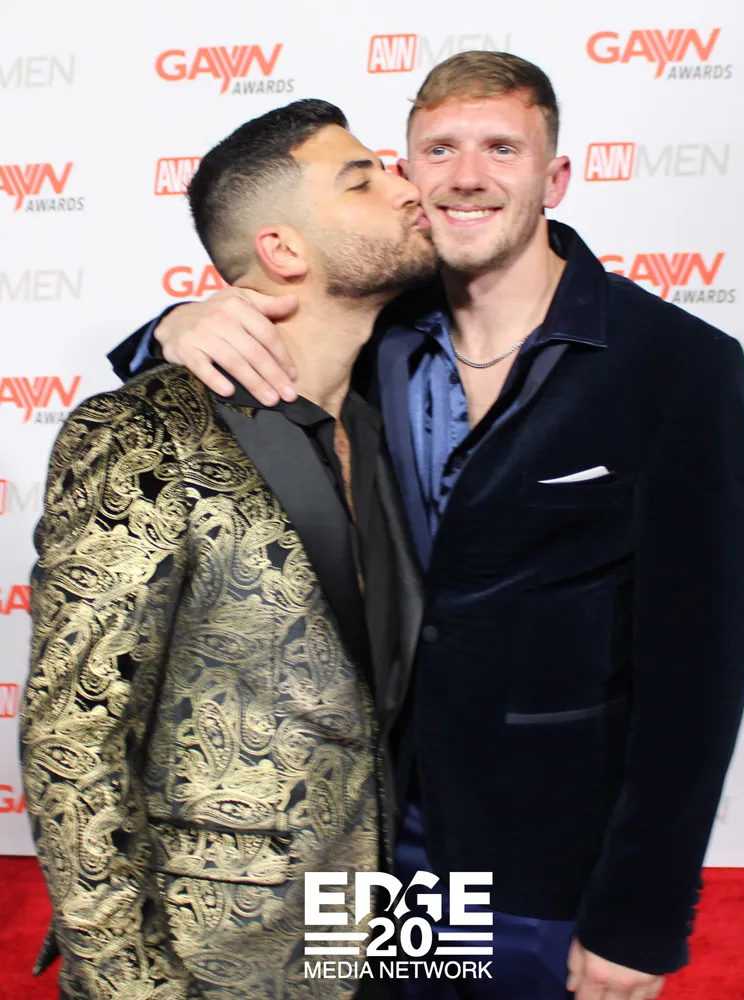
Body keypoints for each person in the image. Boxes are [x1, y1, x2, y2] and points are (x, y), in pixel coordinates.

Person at [108, 52, 744, 1000]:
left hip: (546, 853)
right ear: (410, 175)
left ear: (554, 176)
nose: (466, 176)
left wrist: (641, 915)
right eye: (439, 150)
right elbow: (189, 383)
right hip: (369, 840)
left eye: (501, 148)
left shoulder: (673, 364)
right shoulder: (371, 328)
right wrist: (171, 326)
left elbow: (698, 669)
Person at [20, 98, 439, 1000]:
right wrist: (129, 984)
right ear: (282, 250)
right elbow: (73, 740)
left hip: (384, 931)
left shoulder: (402, 417)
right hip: (212, 947)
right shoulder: (143, 434)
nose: (408, 188)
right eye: (363, 180)